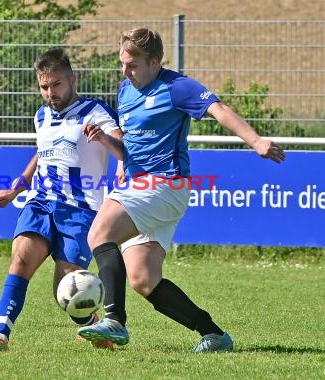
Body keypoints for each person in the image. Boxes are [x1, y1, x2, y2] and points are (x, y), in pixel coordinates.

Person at [77, 28, 286, 352]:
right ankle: (214, 335)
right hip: (142, 187)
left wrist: (256, 141)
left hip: (163, 184)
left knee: (99, 234)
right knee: (143, 280)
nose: (125, 71)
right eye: (122, 63)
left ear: (155, 62)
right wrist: (109, 144)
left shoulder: (177, 87)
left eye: (132, 65)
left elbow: (219, 109)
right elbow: (131, 149)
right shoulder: (125, 91)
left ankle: (114, 321)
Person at [0, 47, 123, 352]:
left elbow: (122, 145)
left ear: (72, 79)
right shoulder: (41, 116)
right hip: (40, 202)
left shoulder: (95, 111)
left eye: (56, 84)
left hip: (80, 210)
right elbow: (41, 154)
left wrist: (110, 149)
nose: (50, 92)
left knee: (65, 289)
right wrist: (16, 188)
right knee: (21, 259)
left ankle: (92, 323)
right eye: (44, 86)